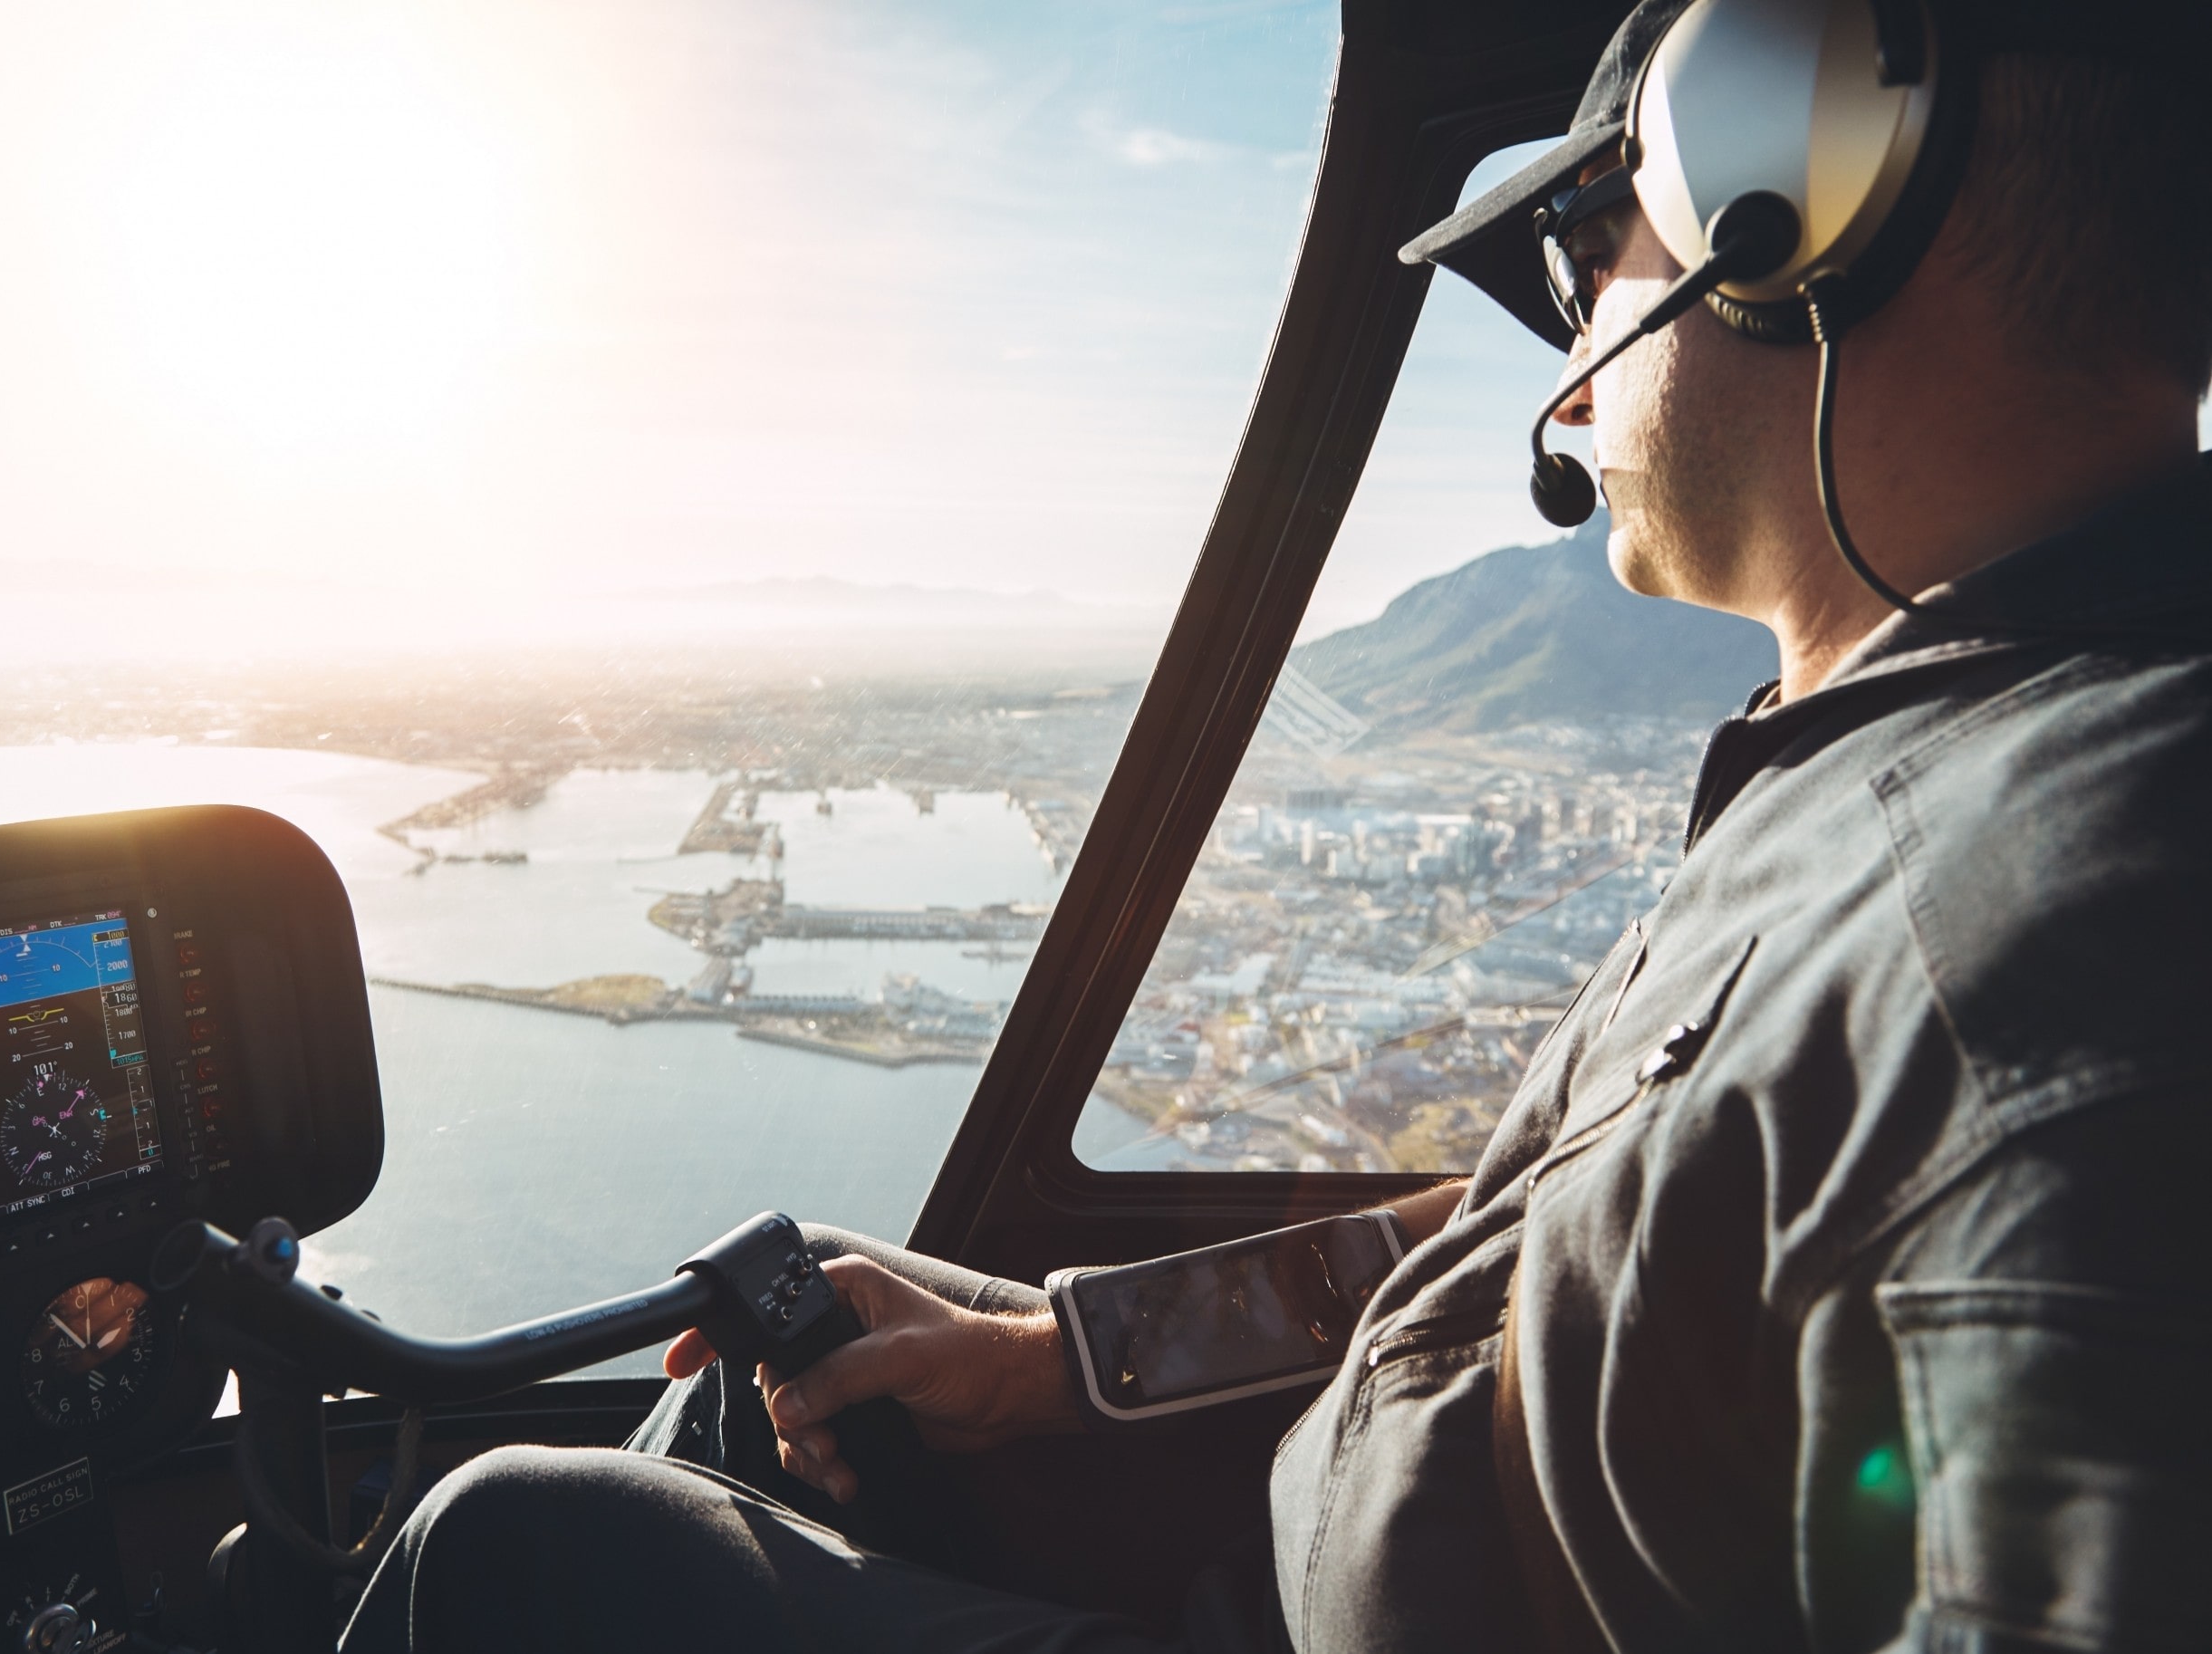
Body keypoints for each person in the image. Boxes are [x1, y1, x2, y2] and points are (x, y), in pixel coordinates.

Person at [341, 2, 2212, 1649]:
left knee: (508, 1550)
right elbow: (1527, 1232)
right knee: (787, 1371)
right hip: (1276, 1555)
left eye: (1580, 241)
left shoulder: (2052, 936)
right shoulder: (1895, 754)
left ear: (1800, 190)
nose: (1564, 343)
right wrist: (1061, 1358)